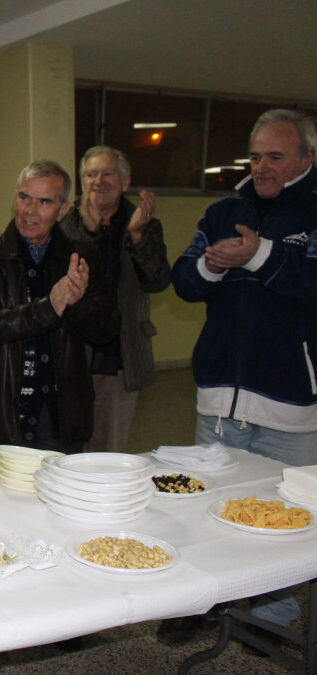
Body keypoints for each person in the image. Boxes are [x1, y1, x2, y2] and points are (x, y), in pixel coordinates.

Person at [166, 108, 317, 642]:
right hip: (220, 396)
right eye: (255, 157)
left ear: (306, 158)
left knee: (284, 515)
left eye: (275, 157)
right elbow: (183, 280)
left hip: (289, 396)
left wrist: (258, 256)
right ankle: (202, 600)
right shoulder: (223, 208)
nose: (262, 167)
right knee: (206, 506)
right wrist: (212, 264)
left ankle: (272, 619)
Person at [0, 160, 119, 477]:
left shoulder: (81, 256)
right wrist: (50, 307)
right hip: (1, 416)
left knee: (57, 512)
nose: (30, 211)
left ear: (63, 210)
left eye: (44, 201)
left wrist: (76, 301)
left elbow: (106, 330)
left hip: (61, 416)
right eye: (24, 198)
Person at [59, 146, 170, 453]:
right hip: (71, 353)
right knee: (62, 446)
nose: (99, 181)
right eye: (91, 174)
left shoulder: (144, 223)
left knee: (107, 450)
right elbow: (58, 276)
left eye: (108, 173)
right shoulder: (66, 222)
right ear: (83, 181)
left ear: (125, 180)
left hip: (118, 354)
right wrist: (89, 232)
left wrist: (137, 237)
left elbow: (158, 280)